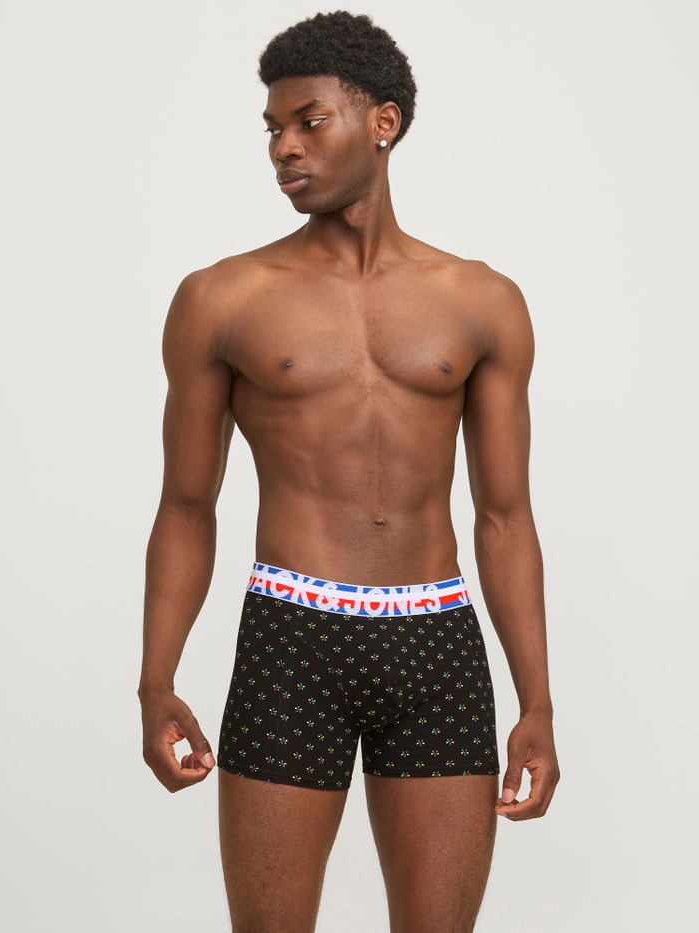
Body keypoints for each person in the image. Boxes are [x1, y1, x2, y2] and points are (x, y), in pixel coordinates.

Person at [139, 10, 559, 931]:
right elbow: (186, 506)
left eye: (309, 121)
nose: (283, 147)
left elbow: (505, 517)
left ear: (383, 122)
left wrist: (537, 701)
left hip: (437, 645)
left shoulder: (483, 301)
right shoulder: (221, 299)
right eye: (272, 129)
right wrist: (155, 678)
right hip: (292, 639)